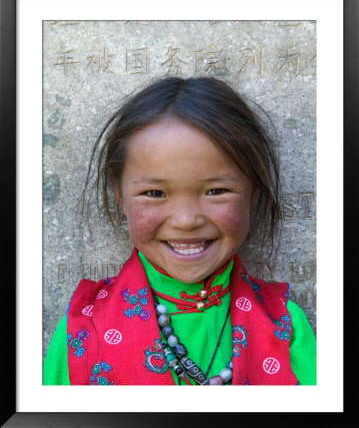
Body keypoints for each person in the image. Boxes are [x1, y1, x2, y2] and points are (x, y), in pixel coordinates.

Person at [43, 76, 316, 385]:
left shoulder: (284, 327)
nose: (186, 220)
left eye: (216, 191)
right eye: (155, 194)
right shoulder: (81, 332)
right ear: (119, 195)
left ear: (253, 193)